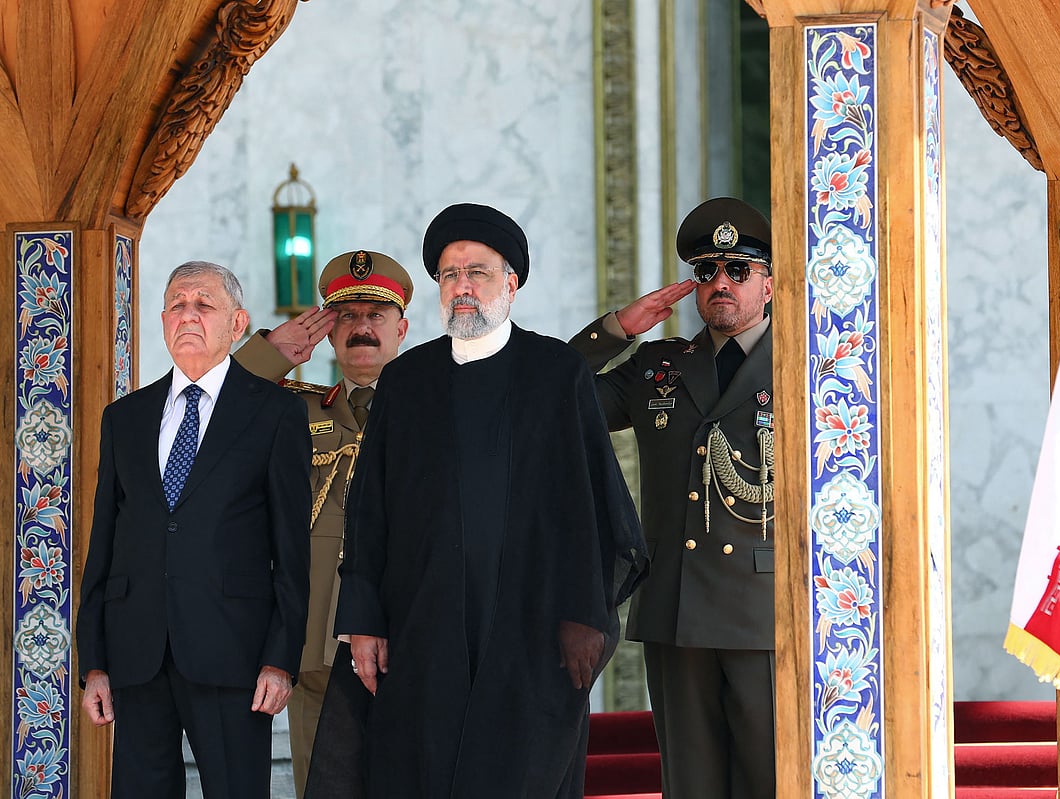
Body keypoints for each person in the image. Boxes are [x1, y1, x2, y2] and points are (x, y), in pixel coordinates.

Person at [332, 203, 648, 798]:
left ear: (512, 282)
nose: (462, 287)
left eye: (477, 272)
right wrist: (363, 619)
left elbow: (589, 505)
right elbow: (369, 511)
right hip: (423, 622)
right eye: (450, 275)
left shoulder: (556, 372)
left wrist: (586, 616)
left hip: (531, 626)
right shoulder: (406, 381)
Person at [76, 261, 311, 799]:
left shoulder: (275, 413)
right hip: (137, 655)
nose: (188, 315)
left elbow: (292, 551)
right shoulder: (125, 417)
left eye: (204, 304)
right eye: (177, 305)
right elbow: (105, 544)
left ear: (237, 322)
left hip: (235, 656)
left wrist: (281, 659)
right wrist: (94, 663)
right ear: (161, 321)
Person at [568, 197, 777, 799]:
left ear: (768, 283)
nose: (720, 285)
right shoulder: (658, 366)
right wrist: (618, 331)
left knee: (769, 777)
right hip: (676, 603)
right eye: (707, 272)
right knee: (690, 783)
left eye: (738, 271)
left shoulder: (811, 364)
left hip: (763, 606)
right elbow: (555, 397)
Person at [234, 249, 413, 798]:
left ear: (401, 329)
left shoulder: (434, 410)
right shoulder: (291, 409)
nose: (362, 327)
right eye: (348, 316)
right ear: (330, 333)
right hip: (315, 631)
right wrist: (270, 356)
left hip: (408, 621)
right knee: (320, 780)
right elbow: (213, 414)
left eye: (375, 316)